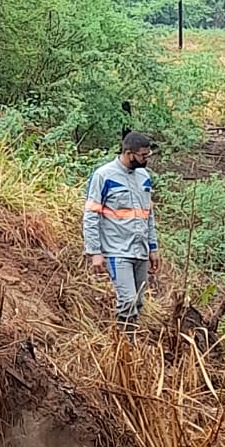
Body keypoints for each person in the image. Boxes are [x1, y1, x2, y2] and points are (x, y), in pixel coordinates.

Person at [83, 131, 159, 335]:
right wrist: (95, 252)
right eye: (143, 155)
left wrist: (153, 248)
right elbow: (91, 216)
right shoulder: (103, 176)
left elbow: (148, 214)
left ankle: (131, 346)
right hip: (117, 251)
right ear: (128, 153)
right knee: (127, 300)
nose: (146, 159)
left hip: (140, 250)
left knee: (139, 301)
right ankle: (124, 347)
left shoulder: (144, 177)